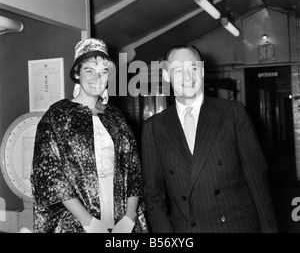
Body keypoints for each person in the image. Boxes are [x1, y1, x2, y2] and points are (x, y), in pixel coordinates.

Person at [141, 45, 278, 233]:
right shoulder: (153, 127)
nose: (188, 77)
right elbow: (153, 196)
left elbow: (257, 180)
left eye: (194, 68)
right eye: (178, 70)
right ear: (166, 75)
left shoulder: (233, 113)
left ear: (203, 70)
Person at [30, 38, 148, 233]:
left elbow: (133, 168)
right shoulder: (58, 115)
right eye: (89, 70)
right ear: (77, 73)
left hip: (119, 220)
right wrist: (88, 222)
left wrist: (129, 217)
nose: (97, 77)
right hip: (75, 223)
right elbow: (50, 175)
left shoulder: (115, 117)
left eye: (103, 72)